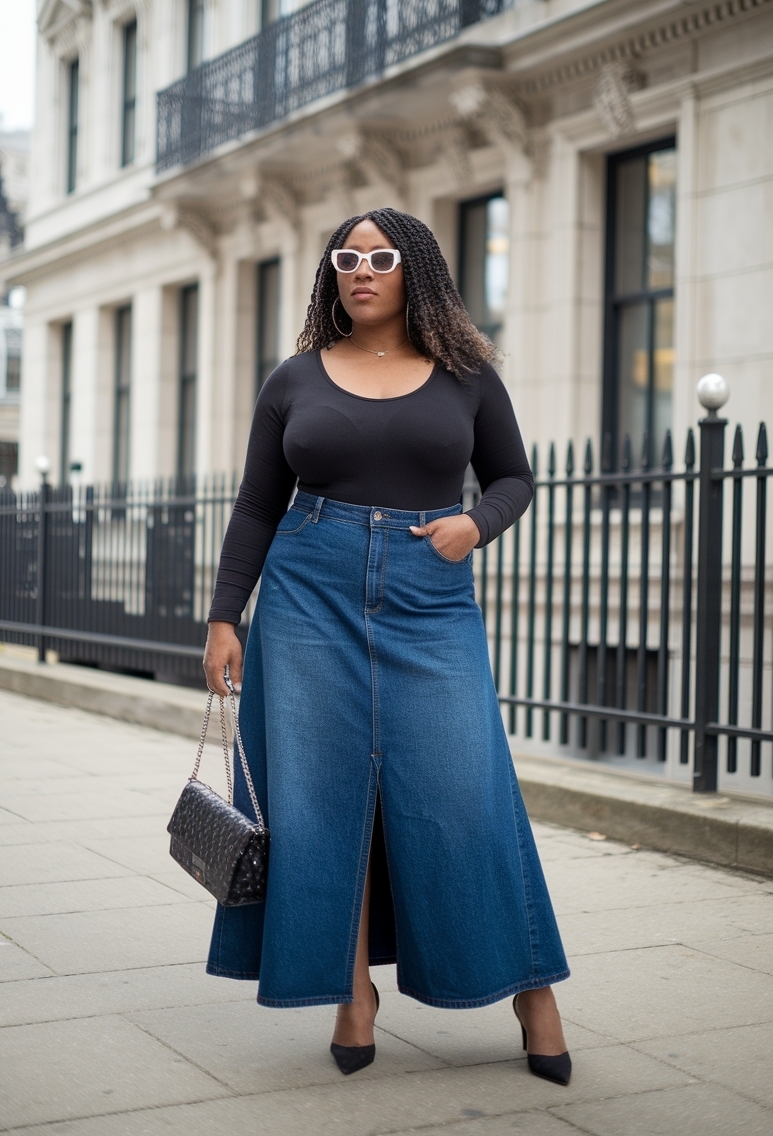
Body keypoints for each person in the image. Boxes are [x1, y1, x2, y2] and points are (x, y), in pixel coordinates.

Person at [203, 208, 571, 1085]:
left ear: (417, 270)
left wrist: (474, 526)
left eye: (379, 256)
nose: (360, 270)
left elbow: (515, 476)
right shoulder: (294, 377)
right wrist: (225, 615)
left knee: (464, 792)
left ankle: (532, 991)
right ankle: (351, 993)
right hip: (307, 594)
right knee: (322, 801)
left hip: (429, 595)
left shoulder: (467, 374)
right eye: (346, 257)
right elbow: (259, 503)